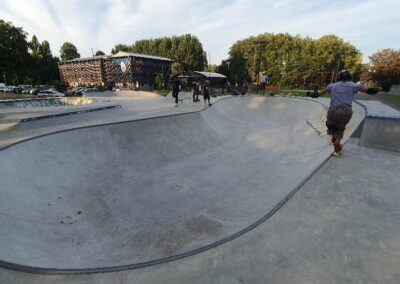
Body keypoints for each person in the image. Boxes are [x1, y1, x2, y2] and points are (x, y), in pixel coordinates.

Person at [313, 69, 382, 157]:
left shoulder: (332, 86)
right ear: (349, 77)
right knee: (340, 128)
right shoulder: (353, 86)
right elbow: (370, 91)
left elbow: (317, 94)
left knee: (330, 125)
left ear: (339, 77)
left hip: (333, 110)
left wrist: (311, 94)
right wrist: (380, 88)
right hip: (346, 111)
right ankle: (337, 148)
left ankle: (334, 139)